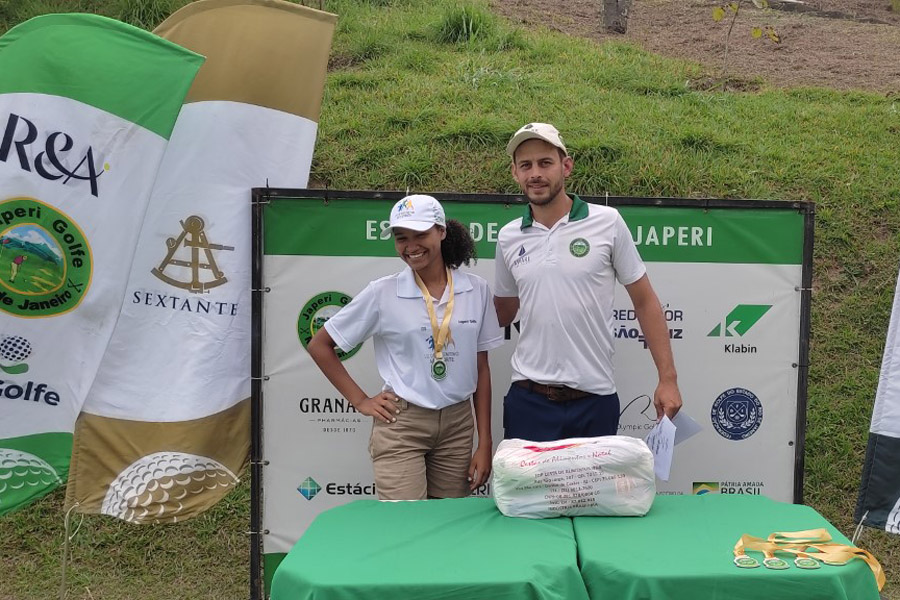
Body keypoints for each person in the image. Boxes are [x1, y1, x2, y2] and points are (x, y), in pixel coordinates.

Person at [494, 122, 682, 442]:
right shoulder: (508, 236)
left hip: (594, 400)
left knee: (595, 482)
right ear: (515, 173)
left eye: (545, 163)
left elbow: (645, 301)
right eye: (525, 165)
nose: (535, 173)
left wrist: (668, 379)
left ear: (566, 166)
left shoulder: (607, 222)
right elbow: (503, 312)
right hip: (528, 400)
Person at [307, 194, 504, 500]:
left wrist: (485, 442)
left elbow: (481, 368)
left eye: (420, 234)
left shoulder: (476, 289)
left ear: (441, 231)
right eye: (401, 238)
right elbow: (321, 345)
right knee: (405, 521)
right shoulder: (383, 292)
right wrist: (360, 400)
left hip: (457, 424)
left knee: (447, 521)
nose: (411, 246)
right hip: (402, 423)